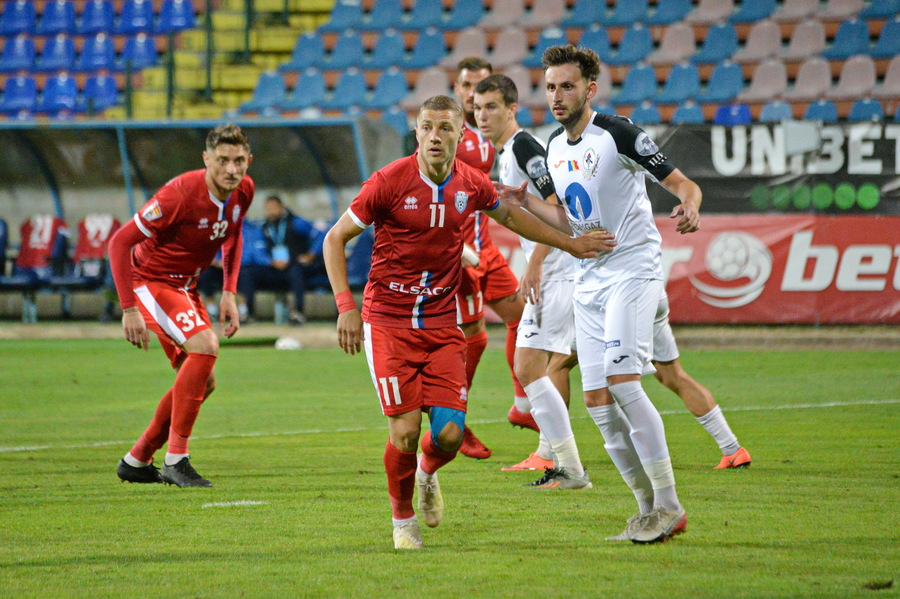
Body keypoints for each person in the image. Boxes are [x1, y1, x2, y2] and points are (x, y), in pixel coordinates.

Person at [322, 95, 614, 550]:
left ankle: (426, 475)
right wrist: (345, 306)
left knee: (450, 436)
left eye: (444, 128)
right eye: (426, 127)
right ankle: (402, 521)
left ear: (462, 134)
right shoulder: (388, 182)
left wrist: (569, 243)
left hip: (441, 323)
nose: (434, 136)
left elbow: (514, 215)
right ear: (416, 132)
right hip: (389, 321)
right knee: (404, 432)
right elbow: (335, 238)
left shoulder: (471, 183)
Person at [497, 45, 700, 543]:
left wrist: (690, 206)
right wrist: (527, 205)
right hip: (590, 276)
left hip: (632, 269)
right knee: (595, 400)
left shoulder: (619, 133)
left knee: (624, 382)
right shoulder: (554, 147)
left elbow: (682, 183)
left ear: (590, 88)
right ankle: (646, 509)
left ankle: (670, 505)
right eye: (550, 87)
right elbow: (569, 217)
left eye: (567, 86)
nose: (557, 96)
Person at [109, 124, 254, 488]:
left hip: (185, 287)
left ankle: (137, 459)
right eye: (222, 160)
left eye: (239, 161)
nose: (231, 170)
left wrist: (228, 293)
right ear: (206, 159)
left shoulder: (244, 192)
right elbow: (119, 242)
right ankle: (177, 459)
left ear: (248, 160)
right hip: (150, 282)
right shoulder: (180, 194)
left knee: (205, 381)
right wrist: (129, 310)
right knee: (205, 347)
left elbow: (232, 237)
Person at [473, 74, 588, 483]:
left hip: (556, 274)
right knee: (549, 365)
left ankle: (565, 462)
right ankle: (556, 457)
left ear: (511, 109)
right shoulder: (505, 152)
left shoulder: (523, 147)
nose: (481, 115)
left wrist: (537, 260)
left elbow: (557, 202)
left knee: (532, 366)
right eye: (477, 107)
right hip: (558, 273)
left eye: (490, 107)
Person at [452, 57, 532, 460]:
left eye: (481, 87)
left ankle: (523, 406)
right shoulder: (448, 133)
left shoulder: (495, 137)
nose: (473, 94)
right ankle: (455, 420)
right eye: (467, 86)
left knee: (523, 317)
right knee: (474, 337)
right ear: (458, 88)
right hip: (458, 254)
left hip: (486, 246)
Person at [652, 293, 752, 469]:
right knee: (670, 376)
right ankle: (732, 449)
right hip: (649, 294)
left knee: (614, 380)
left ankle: (636, 453)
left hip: (621, 297)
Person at [237, 195, 324, 325]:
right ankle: (248, 312)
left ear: (281, 208)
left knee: (296, 271)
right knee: (246, 271)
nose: (271, 211)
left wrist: (311, 255)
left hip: (295, 267)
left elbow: (321, 236)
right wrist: (271, 262)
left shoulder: (296, 222)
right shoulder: (264, 227)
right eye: (268, 208)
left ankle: (298, 312)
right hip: (275, 268)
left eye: (274, 208)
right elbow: (258, 251)